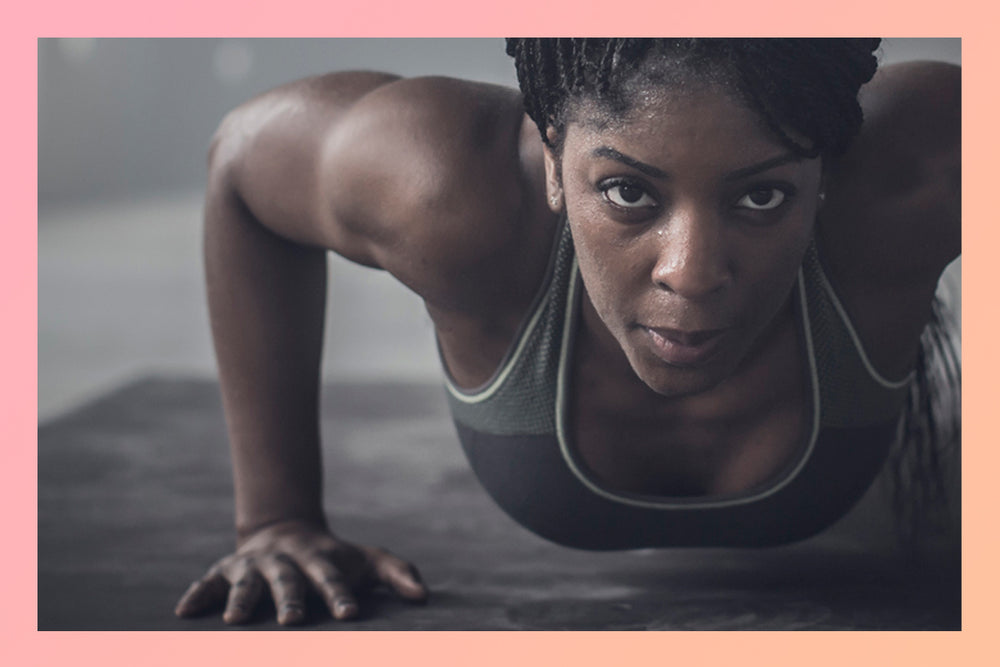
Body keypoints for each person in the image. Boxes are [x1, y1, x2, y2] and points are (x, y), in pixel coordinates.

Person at [174, 39, 960, 626]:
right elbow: (243, 164)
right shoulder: (447, 189)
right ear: (552, 159)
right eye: (626, 191)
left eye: (762, 198)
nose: (689, 273)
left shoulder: (911, 174)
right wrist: (275, 516)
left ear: (824, 172)